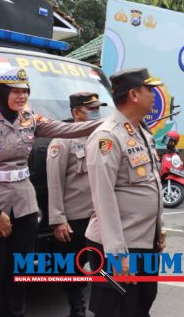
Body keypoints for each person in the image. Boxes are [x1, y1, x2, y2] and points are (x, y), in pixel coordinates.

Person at [0, 68, 103, 317]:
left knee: (19, 270)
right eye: (15, 91)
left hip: (25, 206)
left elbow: (66, 130)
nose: (21, 96)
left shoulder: (29, 119)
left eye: (25, 91)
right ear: (1, 92)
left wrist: (110, 123)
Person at [84, 67, 166, 317]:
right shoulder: (107, 137)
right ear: (133, 94)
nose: (154, 94)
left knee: (142, 305)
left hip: (143, 241)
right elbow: (103, 199)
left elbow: (149, 185)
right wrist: (117, 255)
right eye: (149, 89)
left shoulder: (140, 131)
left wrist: (157, 231)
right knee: (116, 310)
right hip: (118, 246)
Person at [47, 92, 108, 317]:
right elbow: (54, 183)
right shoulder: (61, 141)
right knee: (74, 268)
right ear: (75, 113)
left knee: (101, 266)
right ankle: (77, 308)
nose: (96, 113)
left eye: (97, 108)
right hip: (75, 218)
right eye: (90, 109)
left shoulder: (102, 138)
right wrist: (58, 220)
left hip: (99, 214)